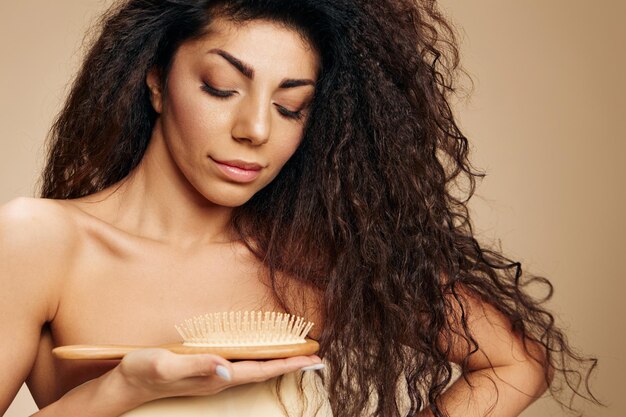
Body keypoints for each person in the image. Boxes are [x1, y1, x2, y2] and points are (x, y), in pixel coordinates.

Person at [0, 0, 601, 416]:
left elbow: (513, 363)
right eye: (219, 87)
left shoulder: (311, 258)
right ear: (156, 81)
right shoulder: (40, 242)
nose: (256, 128)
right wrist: (123, 389)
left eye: (291, 107)